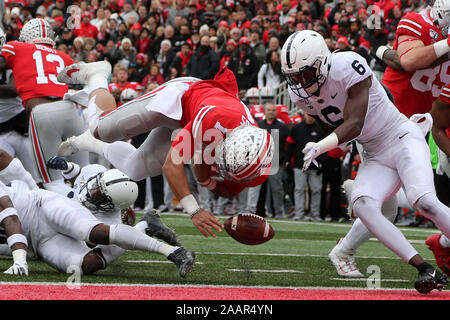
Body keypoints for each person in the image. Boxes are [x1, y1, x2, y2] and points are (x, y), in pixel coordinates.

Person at [281, 30, 450, 294]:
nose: (301, 82)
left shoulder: (348, 64)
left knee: (423, 199)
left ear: (322, 62)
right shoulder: (299, 94)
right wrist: (339, 144)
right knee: (364, 205)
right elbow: (330, 121)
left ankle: (349, 240)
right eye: (295, 77)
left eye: (305, 74)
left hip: (401, 137)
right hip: (373, 152)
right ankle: (423, 267)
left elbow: (355, 123)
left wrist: (321, 145)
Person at [56, 62, 274, 238]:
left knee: (134, 170)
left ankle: (85, 142)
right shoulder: (214, 120)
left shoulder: (255, 164)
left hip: (196, 121)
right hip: (182, 97)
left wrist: (205, 179)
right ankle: (96, 75)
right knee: (102, 128)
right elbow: (172, 166)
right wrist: (194, 210)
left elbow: (228, 189)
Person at [0, 174, 195, 278]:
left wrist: (19, 261)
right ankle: (144, 226)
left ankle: (174, 252)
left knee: (91, 232)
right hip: (39, 242)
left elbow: (11, 219)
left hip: (39, 207)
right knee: (85, 265)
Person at [0, 18, 89, 194]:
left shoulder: (17, 48)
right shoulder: (63, 56)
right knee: (83, 174)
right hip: (70, 110)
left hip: (42, 113)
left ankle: (67, 216)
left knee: (51, 182)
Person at [246, 103, 289, 219]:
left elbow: (287, 146)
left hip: (275, 162)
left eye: (273, 110)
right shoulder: (257, 126)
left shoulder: (283, 127)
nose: (271, 112)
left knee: (277, 189)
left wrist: (284, 159)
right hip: (259, 162)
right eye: (269, 110)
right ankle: (250, 210)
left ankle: (279, 212)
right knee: (254, 187)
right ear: (264, 112)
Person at [286, 113, 325, 221]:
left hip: (316, 165)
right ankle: (299, 213)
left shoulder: (320, 129)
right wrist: (288, 161)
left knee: (316, 190)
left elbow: (325, 148)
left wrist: (322, 163)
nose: (310, 117)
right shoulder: (296, 128)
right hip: (299, 164)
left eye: (312, 115)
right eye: (308, 115)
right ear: (304, 114)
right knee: (299, 189)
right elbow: (290, 145)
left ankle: (315, 214)